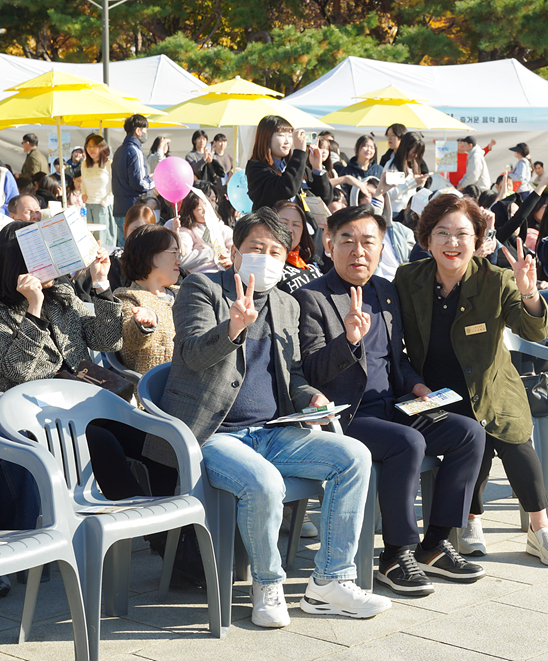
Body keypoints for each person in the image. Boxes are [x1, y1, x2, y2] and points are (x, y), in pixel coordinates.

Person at [145, 208, 392, 626]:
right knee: (264, 483)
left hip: (273, 432)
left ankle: (330, 582)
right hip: (213, 435)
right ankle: (267, 584)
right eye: (256, 248)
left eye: (276, 251)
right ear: (235, 252)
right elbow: (189, 354)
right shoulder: (202, 288)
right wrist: (232, 329)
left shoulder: (285, 303)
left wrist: (311, 397)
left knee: (354, 457)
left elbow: (292, 374)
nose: (266, 257)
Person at [295, 204, 486, 596]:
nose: (358, 251)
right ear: (330, 245)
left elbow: (396, 358)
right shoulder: (311, 298)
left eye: (368, 242)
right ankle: (396, 555)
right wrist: (348, 341)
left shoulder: (385, 291)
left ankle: (434, 544)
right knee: (408, 442)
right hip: (347, 415)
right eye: (347, 241)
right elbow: (311, 370)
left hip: (394, 405)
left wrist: (418, 387)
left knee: (468, 433)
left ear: (381, 248)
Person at [394, 192, 548, 566]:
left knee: (511, 439)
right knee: (472, 433)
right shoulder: (409, 278)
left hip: (492, 386)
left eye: (462, 234)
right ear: (427, 239)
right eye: (442, 233)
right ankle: (472, 519)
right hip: (433, 393)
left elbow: (534, 331)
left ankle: (540, 528)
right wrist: (413, 384)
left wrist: (529, 292)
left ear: (477, 241)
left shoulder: (496, 279)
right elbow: (395, 347)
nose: (452, 242)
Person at [0, 221, 153, 503]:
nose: (52, 264)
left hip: (83, 401)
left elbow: (107, 341)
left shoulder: (61, 295)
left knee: (152, 440)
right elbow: (18, 370)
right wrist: (33, 309)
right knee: (102, 440)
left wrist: (101, 283)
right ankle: (143, 517)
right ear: (20, 260)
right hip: (34, 416)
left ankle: (175, 522)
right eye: (41, 254)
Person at [115, 224, 180, 374]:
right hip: (156, 385)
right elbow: (132, 339)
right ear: (149, 255)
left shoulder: (184, 292)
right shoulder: (127, 297)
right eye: (174, 253)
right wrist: (143, 326)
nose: (179, 261)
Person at [245, 115, 332, 211]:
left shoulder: (297, 167)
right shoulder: (257, 169)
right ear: (266, 138)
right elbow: (286, 189)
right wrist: (299, 153)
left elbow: (325, 199)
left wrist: (317, 168)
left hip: (300, 220)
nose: (287, 141)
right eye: (281, 135)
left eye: (290, 136)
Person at [172, 190, 233, 275]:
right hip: (202, 275)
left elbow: (236, 251)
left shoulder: (223, 228)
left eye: (206, 205)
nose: (205, 210)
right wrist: (212, 253)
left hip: (226, 274)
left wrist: (229, 260)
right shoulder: (187, 231)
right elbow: (183, 258)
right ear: (191, 213)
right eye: (199, 209)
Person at [113, 114, 154, 233]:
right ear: (138, 131)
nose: (146, 134)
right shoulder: (135, 151)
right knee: (137, 243)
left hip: (119, 207)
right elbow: (140, 183)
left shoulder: (119, 150)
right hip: (134, 210)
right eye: (145, 130)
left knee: (124, 243)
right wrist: (155, 180)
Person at [273, 200, 324, 294]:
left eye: (296, 225)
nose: (289, 230)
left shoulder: (313, 260)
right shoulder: (268, 265)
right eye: (284, 223)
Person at [76, 133, 117, 250]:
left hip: (104, 206)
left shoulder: (109, 164)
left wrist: (105, 202)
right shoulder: (84, 164)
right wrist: (83, 193)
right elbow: (83, 182)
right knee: (90, 241)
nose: (91, 149)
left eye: (94, 146)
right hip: (88, 206)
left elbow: (115, 185)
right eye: (88, 146)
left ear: (102, 147)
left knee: (104, 242)